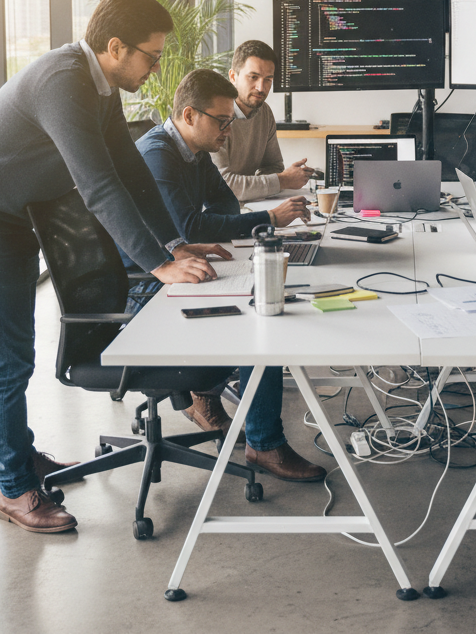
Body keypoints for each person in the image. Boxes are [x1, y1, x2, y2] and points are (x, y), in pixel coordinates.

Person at [0, 0, 230, 535]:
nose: (157, 67)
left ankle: (22, 459)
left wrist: (173, 246)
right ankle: (14, 487)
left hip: (7, 219)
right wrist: (159, 267)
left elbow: (130, 174)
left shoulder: (100, 85)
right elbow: (98, 188)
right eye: (152, 55)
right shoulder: (63, 83)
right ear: (115, 47)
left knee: (12, 352)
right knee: (6, 359)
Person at [123, 68, 325, 482]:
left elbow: (224, 207)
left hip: (172, 270)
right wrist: (267, 216)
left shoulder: (192, 152)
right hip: (140, 290)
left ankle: (245, 425)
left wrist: (200, 230)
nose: (229, 131)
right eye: (222, 120)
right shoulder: (156, 154)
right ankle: (264, 444)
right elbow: (193, 226)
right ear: (190, 114)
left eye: (231, 120)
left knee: (262, 296)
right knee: (260, 319)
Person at [212, 40, 314, 202]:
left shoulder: (264, 112)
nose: (261, 87)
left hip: (248, 205)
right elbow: (222, 185)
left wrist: (276, 179)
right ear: (233, 76)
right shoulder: (215, 115)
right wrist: (283, 180)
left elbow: (272, 166)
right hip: (214, 210)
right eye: (253, 77)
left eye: (268, 79)